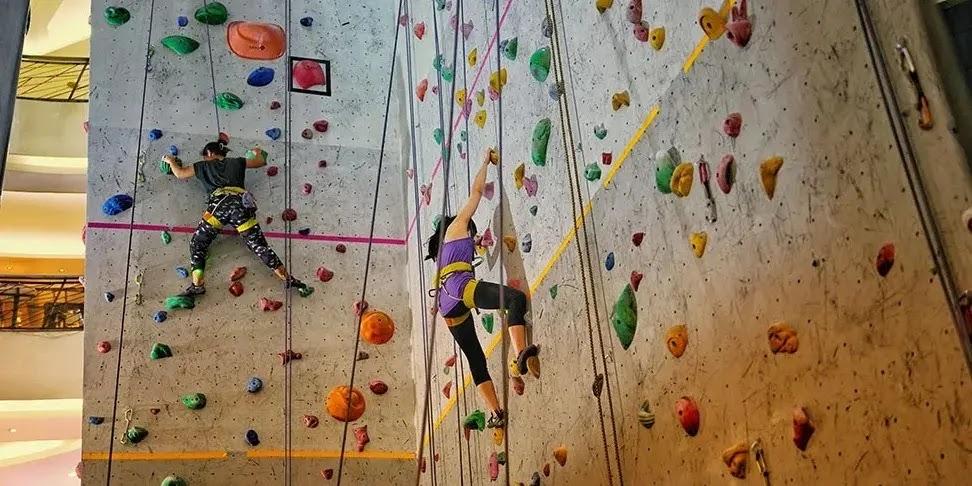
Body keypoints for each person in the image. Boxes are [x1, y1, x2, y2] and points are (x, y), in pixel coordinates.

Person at [426, 151, 540, 429]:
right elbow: (477, 191)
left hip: (448, 307)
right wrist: (484, 162)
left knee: (476, 359)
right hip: (460, 289)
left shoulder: (443, 252)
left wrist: (480, 246)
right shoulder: (457, 225)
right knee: (515, 299)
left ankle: (496, 414)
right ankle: (519, 355)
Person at [163, 141, 307, 299]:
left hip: (221, 204)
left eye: (205, 155)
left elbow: (180, 173)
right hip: (243, 204)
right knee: (259, 246)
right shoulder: (237, 161)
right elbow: (261, 160)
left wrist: (170, 161)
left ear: (210, 153)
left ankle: (198, 285)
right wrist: (256, 149)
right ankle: (287, 278)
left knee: (198, 243)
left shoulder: (204, 165)